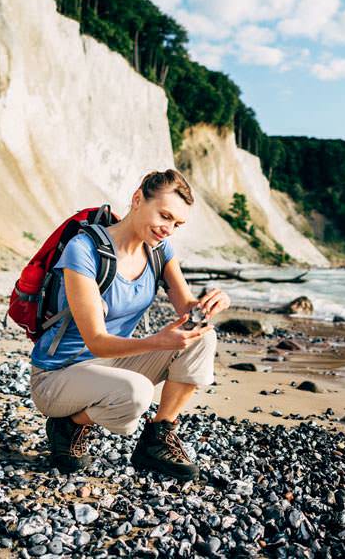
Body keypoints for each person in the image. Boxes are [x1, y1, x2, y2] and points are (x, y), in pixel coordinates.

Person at [29, 169, 230, 481]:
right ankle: (68, 424)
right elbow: (96, 341)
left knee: (202, 338)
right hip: (59, 375)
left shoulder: (159, 250)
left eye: (177, 224)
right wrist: (158, 342)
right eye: (164, 216)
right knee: (135, 393)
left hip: (111, 364)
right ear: (138, 199)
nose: (169, 229)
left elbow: (186, 307)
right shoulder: (83, 250)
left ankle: (158, 438)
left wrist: (210, 304)